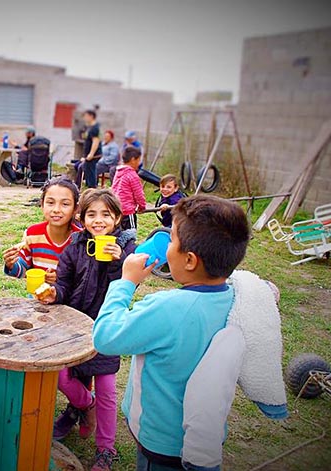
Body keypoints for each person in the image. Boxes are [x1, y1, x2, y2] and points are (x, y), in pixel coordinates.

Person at [93, 195, 251, 471]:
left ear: (189, 260)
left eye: (173, 241)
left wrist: (125, 282)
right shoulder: (238, 300)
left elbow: (105, 336)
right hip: (203, 434)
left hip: (160, 443)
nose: (167, 248)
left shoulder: (167, 308)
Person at [39, 189, 136, 471]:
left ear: (117, 218)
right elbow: (65, 284)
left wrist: (120, 262)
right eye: (91, 214)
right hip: (73, 327)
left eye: (106, 214)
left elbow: (128, 289)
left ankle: (106, 449)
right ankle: (84, 404)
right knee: (60, 375)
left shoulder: (127, 250)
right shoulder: (75, 247)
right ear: (81, 217)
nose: (98, 220)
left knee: (107, 390)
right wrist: (53, 292)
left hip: (107, 328)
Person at [3, 178, 82, 280]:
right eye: (50, 202)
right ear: (42, 205)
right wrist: (11, 264)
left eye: (65, 204)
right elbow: (24, 271)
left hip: (70, 296)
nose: (56, 210)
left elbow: (86, 278)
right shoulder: (33, 234)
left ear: (75, 209)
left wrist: (63, 279)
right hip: (38, 294)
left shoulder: (81, 239)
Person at [111, 146, 147, 233]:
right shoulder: (132, 175)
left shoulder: (118, 172)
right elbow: (139, 194)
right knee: (131, 234)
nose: (139, 163)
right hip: (127, 211)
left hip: (116, 210)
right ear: (133, 159)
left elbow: (114, 188)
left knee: (117, 233)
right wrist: (142, 206)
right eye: (138, 160)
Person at [74, 110, 102, 189]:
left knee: (91, 172)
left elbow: (95, 141)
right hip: (88, 155)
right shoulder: (89, 127)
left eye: (86, 116)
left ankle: (92, 188)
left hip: (94, 155)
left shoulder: (95, 128)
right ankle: (89, 187)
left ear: (91, 116)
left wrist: (91, 154)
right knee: (87, 170)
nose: (85, 118)